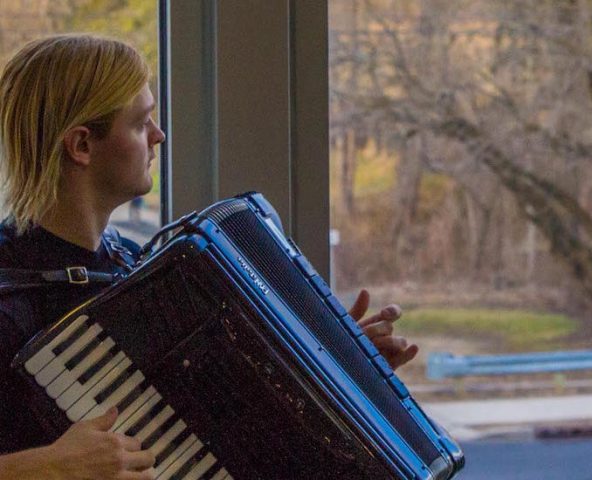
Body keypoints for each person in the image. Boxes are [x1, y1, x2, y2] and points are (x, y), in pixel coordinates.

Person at [0, 34, 418, 479]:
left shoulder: (134, 268)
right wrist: (44, 468)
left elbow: (218, 428)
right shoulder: (10, 300)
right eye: (141, 123)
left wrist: (337, 370)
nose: (159, 135)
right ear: (82, 145)